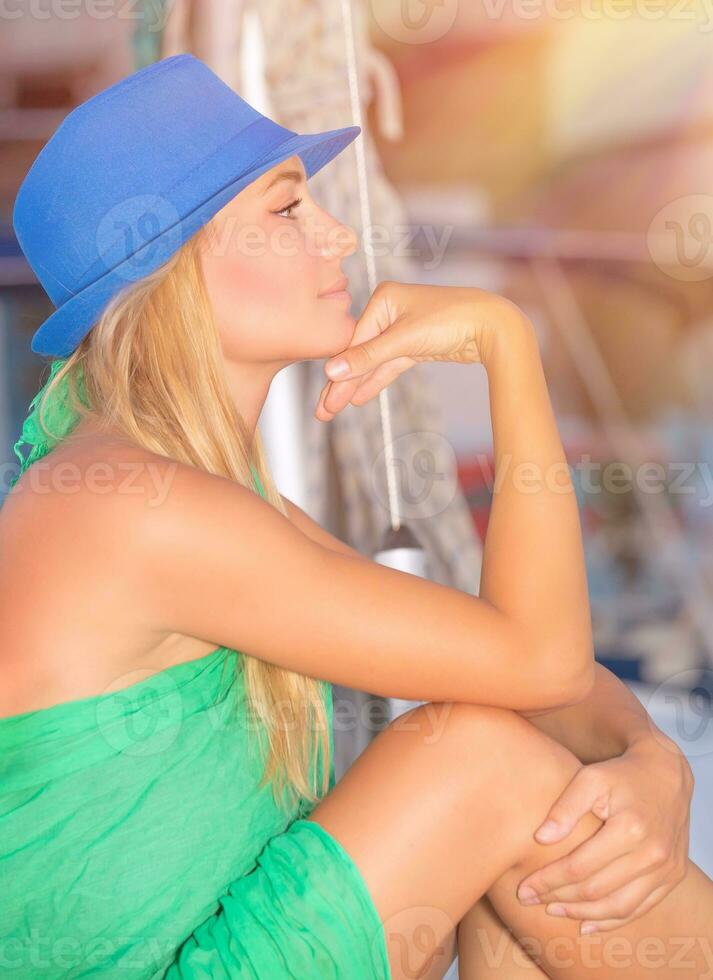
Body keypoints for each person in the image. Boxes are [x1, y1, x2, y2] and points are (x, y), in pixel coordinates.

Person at [1, 53, 711, 980]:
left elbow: (526, 675)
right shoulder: (136, 508)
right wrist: (508, 345)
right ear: (169, 261)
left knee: (503, 793)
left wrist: (655, 763)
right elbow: (540, 656)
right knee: (476, 759)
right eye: (288, 208)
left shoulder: (193, 497)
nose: (337, 237)